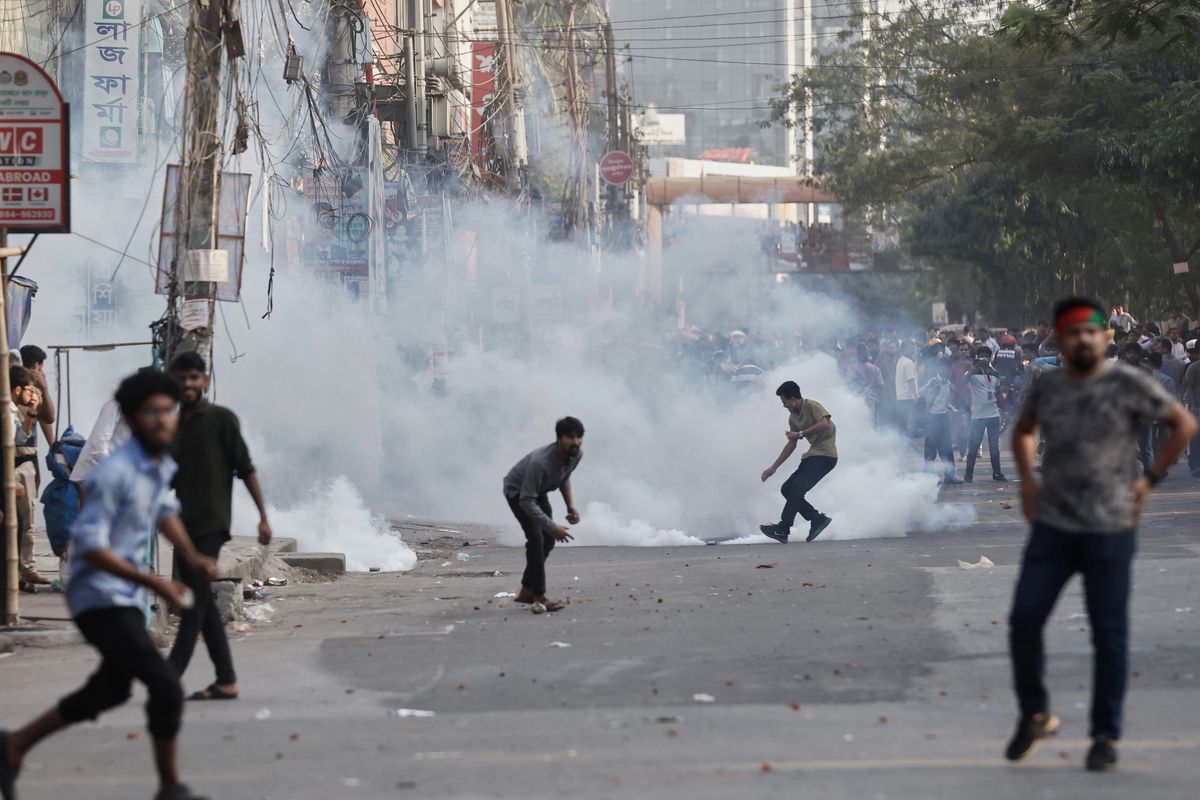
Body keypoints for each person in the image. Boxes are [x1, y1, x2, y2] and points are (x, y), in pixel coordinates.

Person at [0, 368, 218, 800]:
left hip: (123, 594)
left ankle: (14, 747)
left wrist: (192, 556)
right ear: (132, 419)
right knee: (166, 687)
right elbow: (93, 549)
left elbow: (164, 512)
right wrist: (155, 583)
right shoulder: (112, 474)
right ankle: (171, 787)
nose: (163, 419)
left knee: (111, 689)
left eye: (168, 411)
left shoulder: (157, 463)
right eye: (152, 412)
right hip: (96, 596)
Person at [1005, 297, 1198, 772]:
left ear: (1105, 337)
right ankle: (1035, 713)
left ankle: (1105, 736)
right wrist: (1027, 482)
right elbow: (1024, 431)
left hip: (1110, 528)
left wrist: (1148, 481)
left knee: (1109, 635)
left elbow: (1182, 424)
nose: (1083, 339)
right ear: (1059, 340)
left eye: (1091, 331)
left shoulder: (1128, 382)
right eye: (1073, 332)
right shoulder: (1048, 385)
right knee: (1024, 621)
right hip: (1053, 525)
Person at [166, 352, 272, 702]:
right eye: (182, 378)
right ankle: (226, 680)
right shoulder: (173, 426)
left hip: (212, 523)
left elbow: (246, 469)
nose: (188, 384)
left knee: (193, 604)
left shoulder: (221, 419)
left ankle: (167, 678)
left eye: (194, 377)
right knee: (203, 605)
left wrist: (263, 516)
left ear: (205, 380)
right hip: (183, 526)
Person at [503, 417, 584, 613]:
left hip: (538, 492)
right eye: (570, 437)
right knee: (536, 540)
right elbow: (526, 501)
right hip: (518, 493)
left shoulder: (575, 454)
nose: (575, 442)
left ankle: (526, 591)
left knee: (548, 540)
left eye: (579, 437)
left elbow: (564, 478)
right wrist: (553, 527)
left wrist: (570, 506)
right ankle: (539, 597)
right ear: (559, 438)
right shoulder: (541, 462)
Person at [759, 381, 837, 544]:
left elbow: (825, 423)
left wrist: (801, 433)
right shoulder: (793, 418)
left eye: (785, 402)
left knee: (796, 489)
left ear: (793, 399)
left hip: (826, 456)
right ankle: (816, 519)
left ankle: (783, 529)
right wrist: (773, 468)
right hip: (812, 456)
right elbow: (791, 444)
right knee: (787, 489)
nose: (784, 406)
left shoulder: (812, 406)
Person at [9, 366, 48, 591]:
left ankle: (24, 569)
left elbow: (25, 436)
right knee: (15, 522)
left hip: (24, 464)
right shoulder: (9, 409)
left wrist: (34, 409)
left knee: (25, 521)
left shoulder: (19, 406)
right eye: (29, 389)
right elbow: (19, 439)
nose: (33, 394)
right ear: (18, 389)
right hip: (12, 466)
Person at [964, 347, 1008, 482]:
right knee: (974, 446)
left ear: (990, 358)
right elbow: (963, 381)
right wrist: (975, 368)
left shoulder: (994, 374)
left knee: (994, 447)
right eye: (981, 356)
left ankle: (997, 473)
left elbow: (998, 393)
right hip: (978, 416)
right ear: (977, 357)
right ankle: (968, 475)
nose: (984, 358)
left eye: (986, 356)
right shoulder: (972, 373)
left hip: (993, 415)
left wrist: (1004, 411)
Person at [920, 358, 960, 484]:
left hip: (944, 418)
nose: (946, 371)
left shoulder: (947, 382)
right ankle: (927, 478)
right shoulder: (933, 381)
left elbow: (943, 401)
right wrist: (929, 386)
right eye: (944, 368)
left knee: (947, 449)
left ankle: (950, 476)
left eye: (947, 368)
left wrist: (953, 409)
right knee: (930, 450)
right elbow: (920, 392)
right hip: (933, 418)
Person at [18, 345, 56, 448]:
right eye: (41, 368)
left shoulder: (36, 392)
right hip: (19, 451)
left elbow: (48, 418)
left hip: (29, 451)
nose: (43, 373)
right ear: (35, 366)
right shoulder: (18, 390)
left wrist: (44, 389)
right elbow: (49, 418)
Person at [847, 343, 884, 424]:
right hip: (871, 400)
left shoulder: (852, 368)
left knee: (859, 422)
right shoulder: (875, 369)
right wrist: (876, 398)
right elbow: (880, 385)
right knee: (870, 422)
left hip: (857, 400)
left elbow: (849, 385)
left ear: (857, 355)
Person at [894, 341, 919, 434]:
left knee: (902, 425)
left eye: (913, 348)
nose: (912, 351)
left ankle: (901, 441)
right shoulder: (908, 363)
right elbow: (911, 381)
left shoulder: (900, 361)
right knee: (907, 424)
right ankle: (906, 442)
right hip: (907, 398)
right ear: (903, 350)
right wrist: (916, 396)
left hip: (900, 397)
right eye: (909, 348)